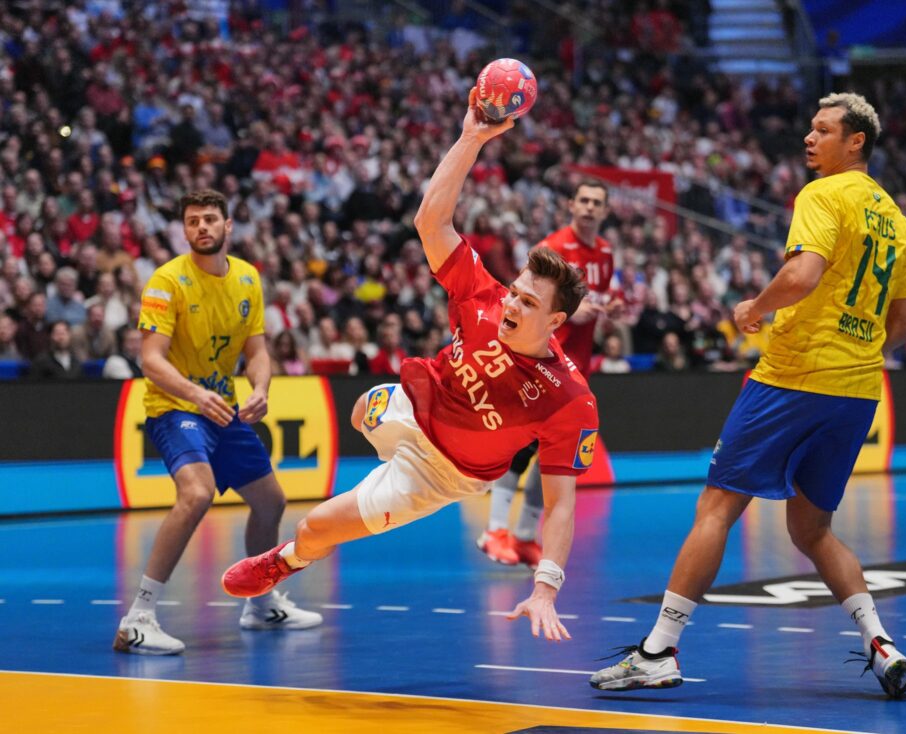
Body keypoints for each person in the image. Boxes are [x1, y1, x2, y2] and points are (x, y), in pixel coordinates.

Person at [221, 91, 598, 643]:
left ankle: (287, 561)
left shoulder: (569, 398)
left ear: (558, 320)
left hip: (441, 472)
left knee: (316, 526)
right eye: (514, 293)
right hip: (413, 406)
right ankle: (381, 425)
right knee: (360, 411)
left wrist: (546, 587)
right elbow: (430, 220)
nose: (512, 307)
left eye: (528, 304)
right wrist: (473, 138)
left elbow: (562, 505)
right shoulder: (483, 298)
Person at [590, 93, 906, 698]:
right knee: (812, 530)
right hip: (856, 390)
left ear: (857, 143)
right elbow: (903, 326)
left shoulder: (823, 195)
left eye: (823, 130)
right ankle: (881, 644)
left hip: (793, 376)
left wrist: (754, 308)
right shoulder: (899, 222)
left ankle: (657, 652)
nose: (809, 138)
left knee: (717, 508)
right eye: (810, 128)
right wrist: (856, 344)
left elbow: (801, 275)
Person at [114, 189, 322, 656]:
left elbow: (257, 351)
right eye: (192, 221)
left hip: (223, 408)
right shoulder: (166, 282)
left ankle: (261, 603)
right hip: (175, 406)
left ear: (229, 226)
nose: (202, 227)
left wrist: (263, 389)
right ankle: (138, 618)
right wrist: (194, 393)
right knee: (197, 493)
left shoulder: (247, 278)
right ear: (184, 230)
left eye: (210, 219)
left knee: (271, 502)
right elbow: (150, 359)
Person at [477, 180, 617, 567]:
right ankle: (494, 530)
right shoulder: (555, 248)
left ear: (605, 211)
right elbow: (527, 304)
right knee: (523, 445)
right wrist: (573, 315)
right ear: (572, 204)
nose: (589, 208)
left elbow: (593, 304)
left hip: (576, 368)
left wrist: (607, 310)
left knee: (553, 454)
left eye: (597, 202)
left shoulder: (605, 253)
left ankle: (523, 537)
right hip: (540, 360)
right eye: (584, 200)